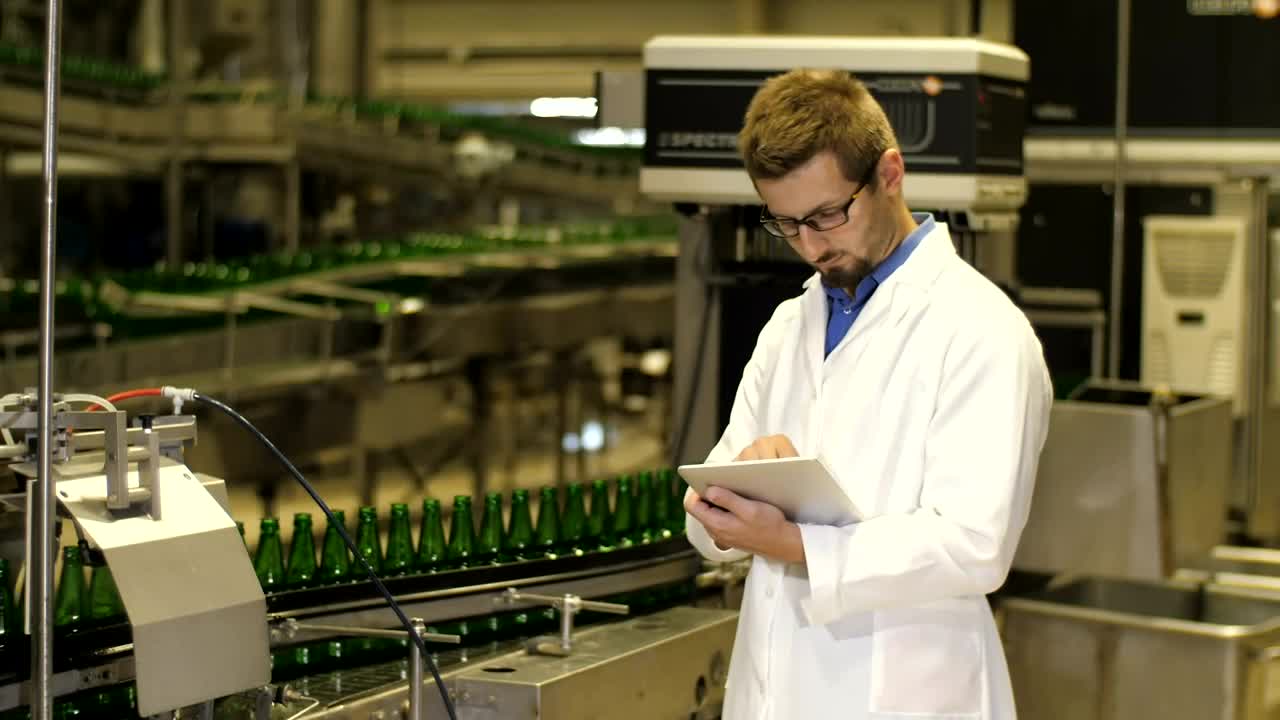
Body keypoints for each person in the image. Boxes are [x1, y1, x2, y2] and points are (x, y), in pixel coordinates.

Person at [683, 68, 1053, 719]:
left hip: (908, 693)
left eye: (829, 214)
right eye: (788, 224)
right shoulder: (787, 328)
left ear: (889, 172)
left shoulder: (981, 330)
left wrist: (795, 544)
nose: (813, 244)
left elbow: (975, 545)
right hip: (774, 690)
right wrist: (731, 489)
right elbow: (702, 515)